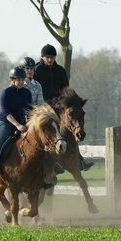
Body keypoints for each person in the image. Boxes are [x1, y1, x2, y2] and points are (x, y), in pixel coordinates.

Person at [34, 43, 93, 171]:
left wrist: (75, 102)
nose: (49, 60)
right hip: (42, 105)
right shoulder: (37, 70)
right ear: (42, 57)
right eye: (47, 57)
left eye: (52, 57)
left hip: (59, 105)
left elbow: (66, 89)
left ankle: (79, 159)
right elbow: (34, 89)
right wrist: (45, 103)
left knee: (71, 126)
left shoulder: (60, 71)